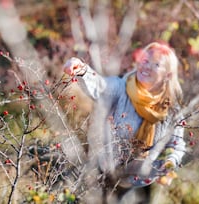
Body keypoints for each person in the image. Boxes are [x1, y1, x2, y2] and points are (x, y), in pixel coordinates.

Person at [62, 42, 186, 195]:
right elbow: (100, 86)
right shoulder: (122, 87)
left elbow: (177, 145)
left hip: (139, 186)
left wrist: (169, 163)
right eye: (145, 61)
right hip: (104, 173)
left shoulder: (172, 109)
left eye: (156, 65)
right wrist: (82, 70)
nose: (147, 67)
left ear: (168, 74)